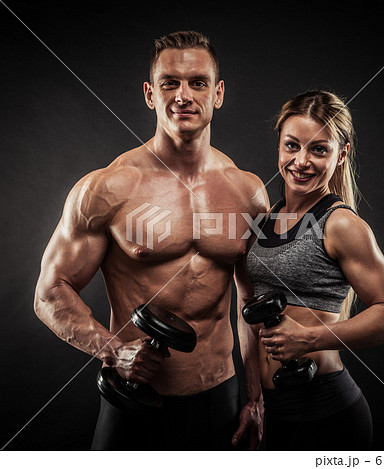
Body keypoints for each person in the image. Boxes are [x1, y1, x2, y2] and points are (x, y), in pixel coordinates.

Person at [34, 31, 268, 450]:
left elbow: (251, 304)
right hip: (135, 402)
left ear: (218, 94)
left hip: (220, 394)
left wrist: (255, 396)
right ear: (149, 93)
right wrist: (113, 350)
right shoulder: (108, 187)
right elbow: (49, 293)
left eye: (198, 82)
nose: (183, 95)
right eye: (169, 83)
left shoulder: (247, 192)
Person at [243, 90, 384, 450]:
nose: (300, 161)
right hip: (274, 410)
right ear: (279, 145)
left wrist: (309, 338)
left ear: (342, 153)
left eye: (319, 149)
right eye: (292, 146)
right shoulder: (267, 218)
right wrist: (254, 396)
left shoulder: (341, 224)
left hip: (326, 412)